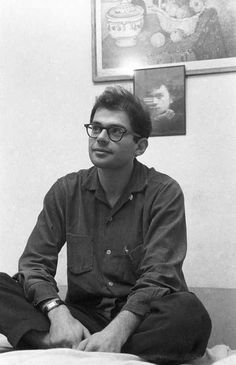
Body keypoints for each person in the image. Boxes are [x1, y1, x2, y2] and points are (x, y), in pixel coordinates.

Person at [0, 86, 211, 364]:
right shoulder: (66, 190)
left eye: (115, 131)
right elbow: (34, 264)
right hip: (82, 316)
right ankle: (51, 341)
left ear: (140, 146)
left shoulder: (164, 192)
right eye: (96, 128)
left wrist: (117, 331)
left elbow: (160, 275)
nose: (100, 138)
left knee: (189, 314)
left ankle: (86, 348)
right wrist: (58, 314)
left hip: (140, 319)